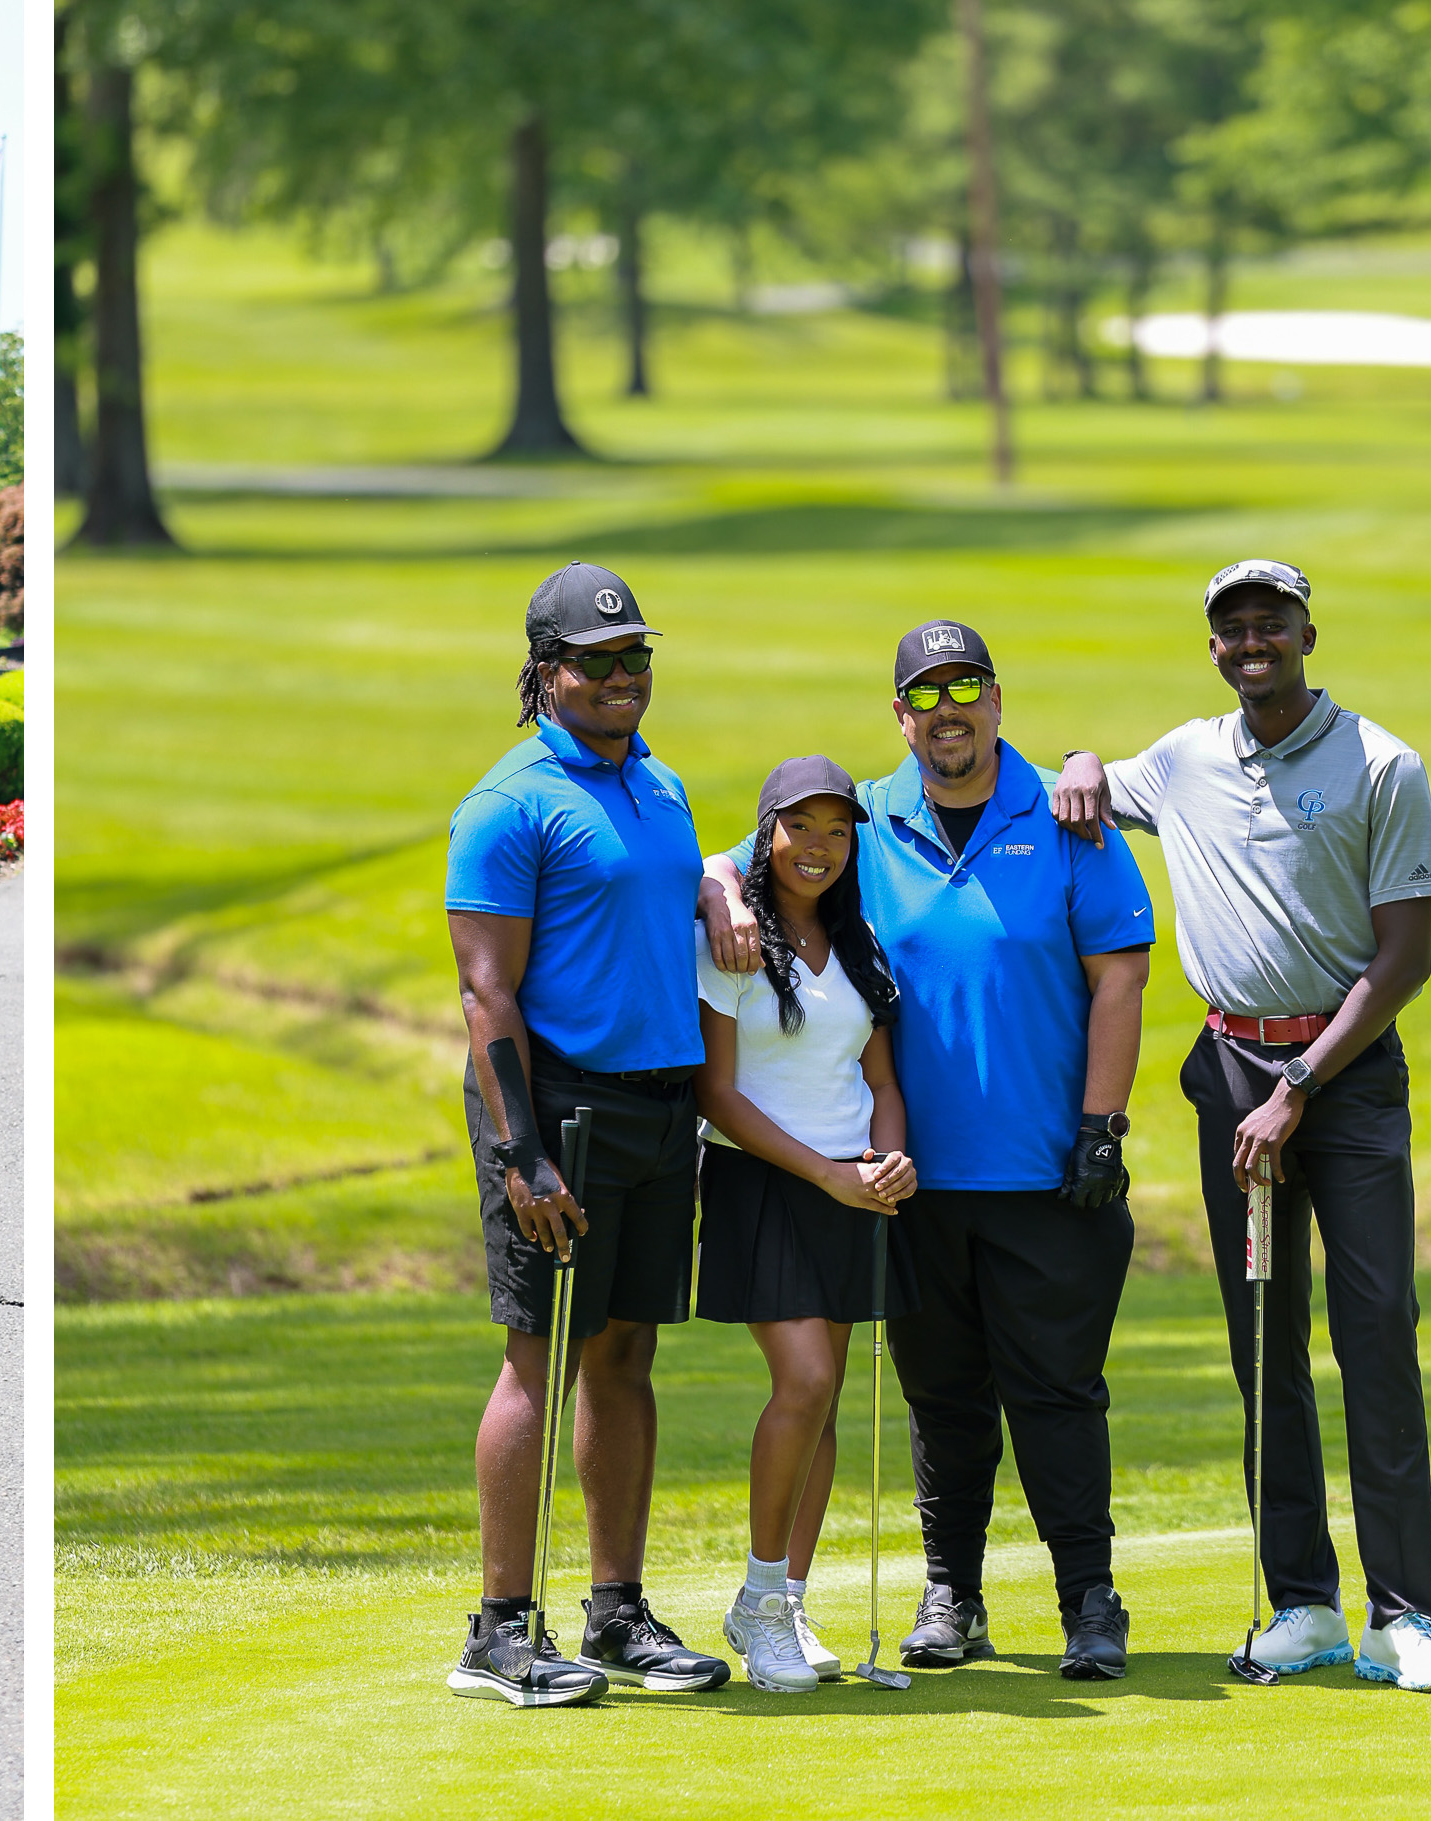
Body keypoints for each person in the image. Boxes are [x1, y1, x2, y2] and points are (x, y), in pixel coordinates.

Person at [1046, 559, 1431, 1693]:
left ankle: (1403, 1617)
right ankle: (1302, 1604)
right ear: (1215, 649)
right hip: (1233, 1070)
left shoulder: (1383, 765)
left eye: (1270, 625)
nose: (1252, 642)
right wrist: (1085, 758)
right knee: (1263, 1340)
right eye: (1233, 629)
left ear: (1306, 634)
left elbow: (1404, 960)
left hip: (1345, 1078)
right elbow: (1084, 784)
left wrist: (1302, 1087)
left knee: (1377, 1330)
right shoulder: (1187, 758)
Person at [702, 619, 1155, 1679]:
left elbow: (1120, 980)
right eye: (926, 695)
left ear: (997, 701)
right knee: (941, 1396)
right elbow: (747, 856)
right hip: (904, 1183)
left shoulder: (1067, 813)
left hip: (1047, 1166)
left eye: (968, 689)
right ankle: (951, 1593)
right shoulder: (864, 815)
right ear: (900, 715)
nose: (949, 712)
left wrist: (1102, 1125)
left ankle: (1089, 1599)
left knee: (1056, 1392)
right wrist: (717, 885)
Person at [440, 561, 730, 1706]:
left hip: (661, 1103)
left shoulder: (657, 786)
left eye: (637, 657)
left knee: (626, 1354)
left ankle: (616, 1614)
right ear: (545, 673)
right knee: (539, 1358)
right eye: (597, 661)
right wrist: (523, 1156)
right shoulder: (508, 804)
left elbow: (664, 889)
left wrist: (719, 887)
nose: (623, 677)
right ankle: (500, 1629)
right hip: (555, 1106)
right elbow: (484, 995)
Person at [689, 756, 917, 1693]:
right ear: (764, 835)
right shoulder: (731, 940)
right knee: (808, 1378)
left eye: (836, 829)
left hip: (848, 1187)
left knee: (822, 1402)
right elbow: (717, 1094)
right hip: (762, 1182)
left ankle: (784, 1601)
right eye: (798, 828)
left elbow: (881, 1082)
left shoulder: (859, 942)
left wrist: (886, 1161)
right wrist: (827, 1174)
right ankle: (756, 1594)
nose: (816, 847)